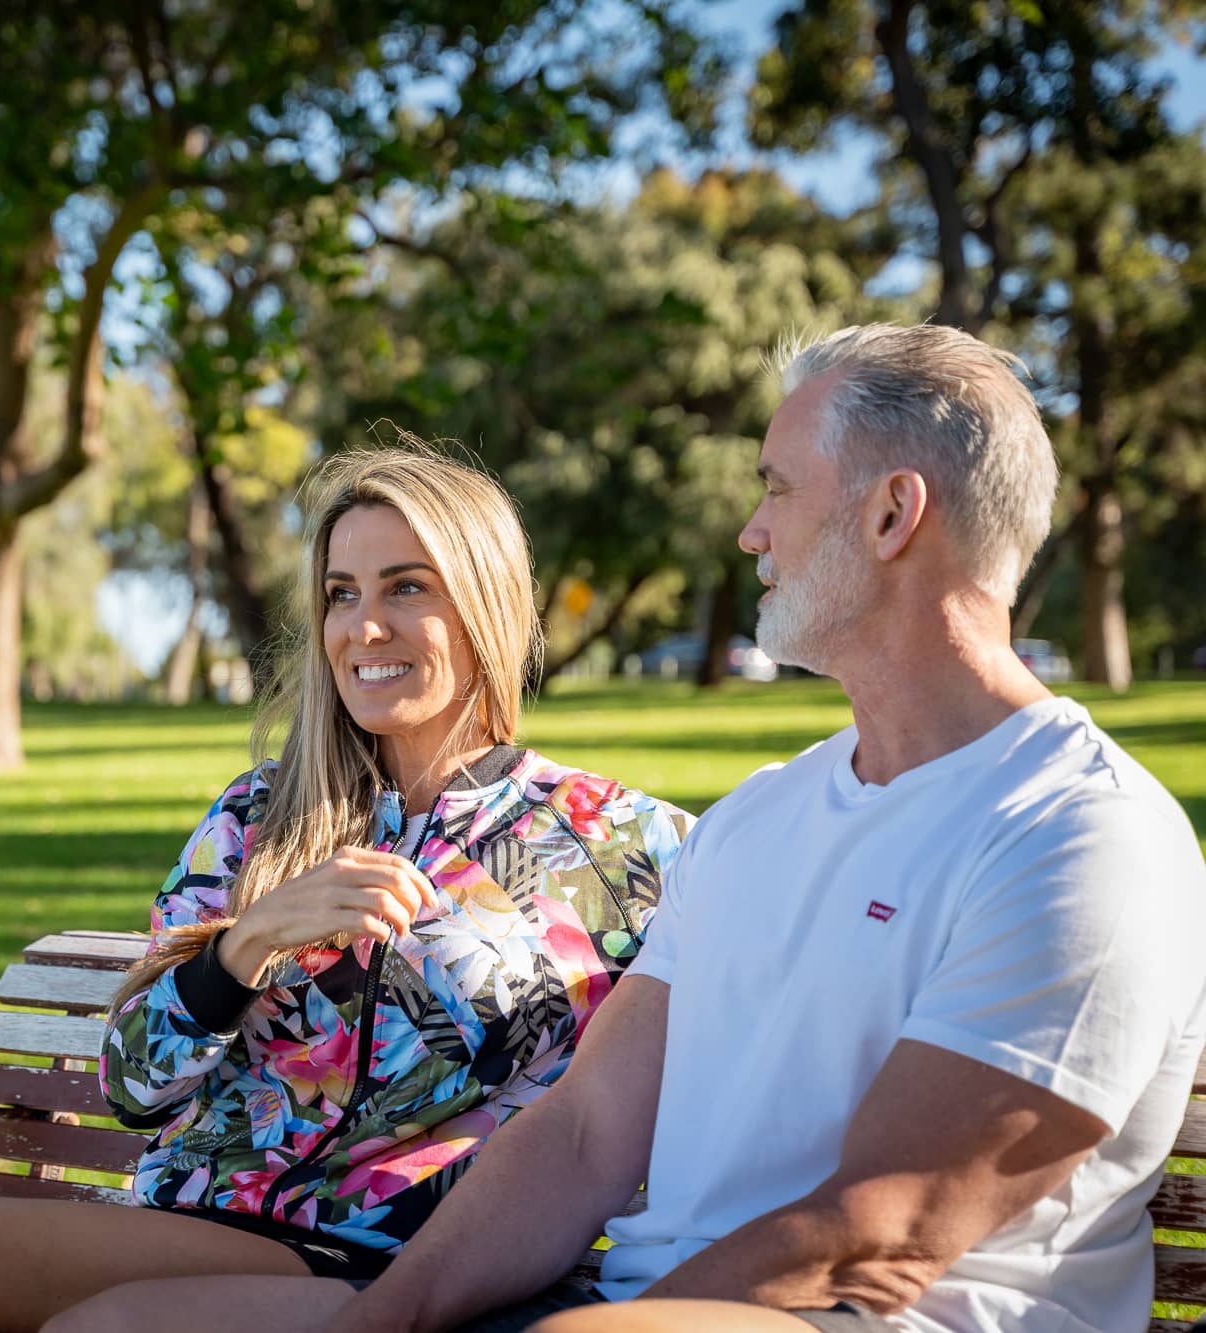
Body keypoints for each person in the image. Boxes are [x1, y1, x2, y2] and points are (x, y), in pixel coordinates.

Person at [300, 324, 1206, 1333]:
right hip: (634, 1309)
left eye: (775, 487)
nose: (748, 530)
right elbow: (586, 1133)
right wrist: (381, 1321)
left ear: (891, 513)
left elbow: (876, 1233)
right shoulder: (756, 818)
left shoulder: (1081, 839)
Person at [0, 447, 693, 1332]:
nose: (364, 628)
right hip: (205, 1214)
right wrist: (246, 942)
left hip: (399, 1257)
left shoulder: (623, 843)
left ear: (485, 600)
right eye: (342, 593)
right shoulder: (259, 813)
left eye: (407, 588)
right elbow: (132, 1089)